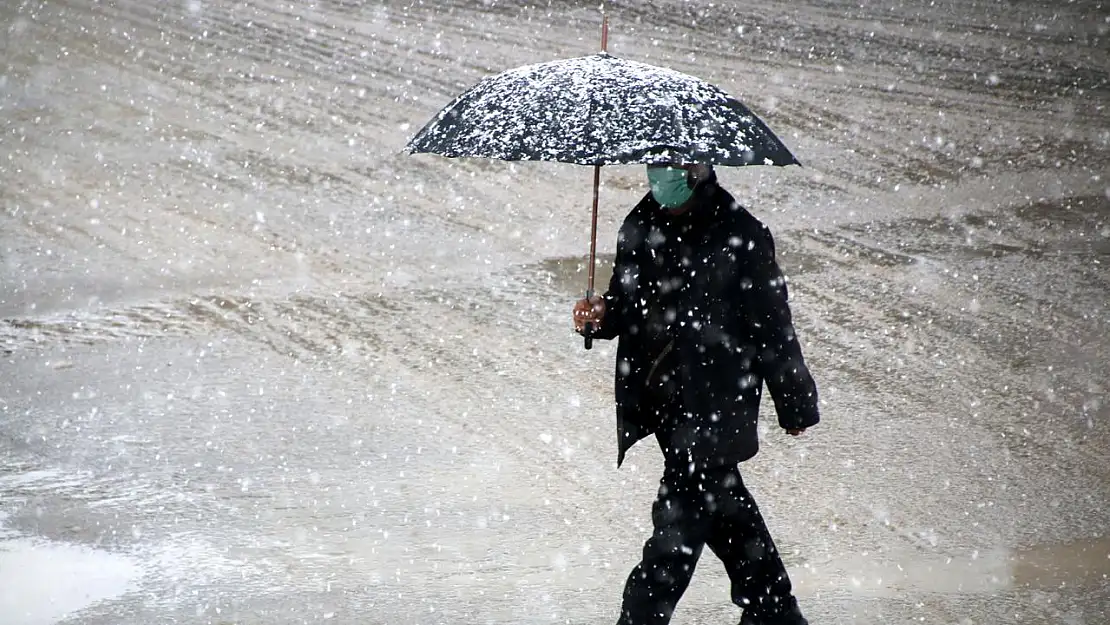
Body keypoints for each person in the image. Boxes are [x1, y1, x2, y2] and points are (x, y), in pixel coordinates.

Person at [572, 162, 819, 625]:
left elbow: (773, 328)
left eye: (672, 165)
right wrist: (601, 315)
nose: (660, 175)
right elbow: (628, 307)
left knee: (673, 542)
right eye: (655, 164)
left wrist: (795, 399)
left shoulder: (740, 234)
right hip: (663, 400)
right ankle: (776, 615)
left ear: (699, 169)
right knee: (727, 514)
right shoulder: (639, 227)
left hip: (719, 402)